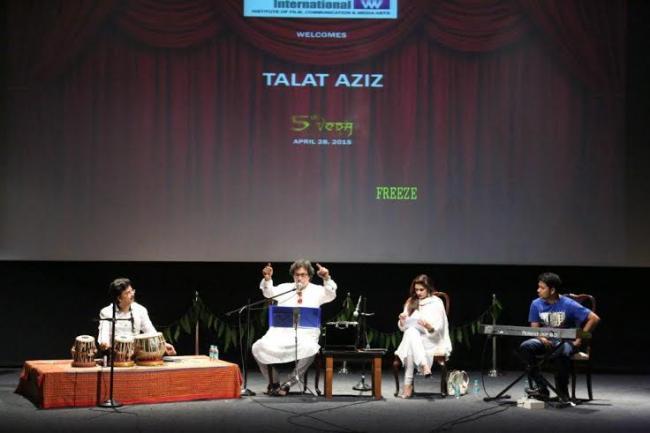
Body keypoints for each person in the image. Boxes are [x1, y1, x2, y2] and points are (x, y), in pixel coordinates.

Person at [252, 260, 336, 396]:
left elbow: (331, 294)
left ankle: (288, 383)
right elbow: (268, 293)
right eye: (297, 274)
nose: (299, 278)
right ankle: (274, 382)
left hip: (306, 334)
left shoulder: (317, 290)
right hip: (280, 333)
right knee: (257, 347)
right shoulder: (285, 288)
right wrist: (267, 279)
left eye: (303, 275)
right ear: (293, 275)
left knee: (311, 348)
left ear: (309, 276)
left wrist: (326, 278)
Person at [519, 272, 600, 401]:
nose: (538, 290)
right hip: (546, 341)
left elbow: (594, 319)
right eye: (538, 287)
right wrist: (541, 338)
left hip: (566, 342)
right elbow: (534, 329)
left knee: (562, 351)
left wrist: (579, 339)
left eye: (542, 288)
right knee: (526, 346)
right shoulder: (536, 304)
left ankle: (562, 393)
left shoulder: (568, 304)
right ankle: (541, 388)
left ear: (552, 290)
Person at [395, 274, 452, 398]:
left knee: (410, 338)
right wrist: (402, 321)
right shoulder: (411, 301)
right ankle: (424, 365)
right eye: (416, 290)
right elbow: (403, 328)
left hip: (431, 339)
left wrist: (428, 326)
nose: (418, 293)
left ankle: (407, 386)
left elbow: (439, 328)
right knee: (411, 332)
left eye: (422, 290)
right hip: (414, 337)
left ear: (428, 288)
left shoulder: (436, 302)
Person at [97, 278, 176, 356]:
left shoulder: (140, 310)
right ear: (119, 298)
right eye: (128, 293)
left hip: (136, 355)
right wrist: (105, 344)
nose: (132, 294)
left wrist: (164, 345)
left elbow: (150, 332)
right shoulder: (106, 312)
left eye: (132, 291)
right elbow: (104, 335)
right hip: (115, 356)